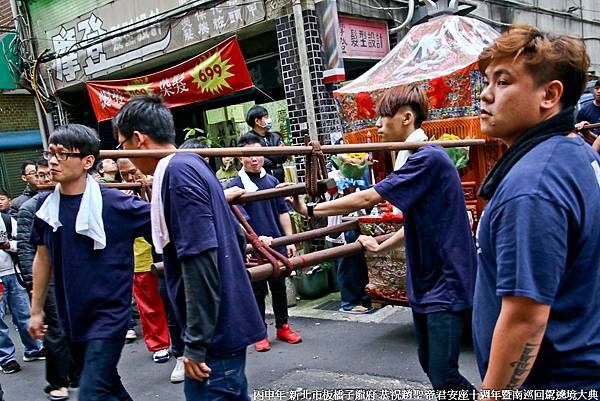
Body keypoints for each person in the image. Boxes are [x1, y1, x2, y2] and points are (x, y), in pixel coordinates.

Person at [291, 85, 476, 391]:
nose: (377, 126)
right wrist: (382, 244)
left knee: (445, 375)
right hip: (427, 280)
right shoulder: (416, 156)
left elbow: (367, 198)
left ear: (406, 118)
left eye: (382, 118)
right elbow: (417, 222)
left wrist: (312, 209)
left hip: (446, 281)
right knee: (430, 366)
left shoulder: (427, 158)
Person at [113, 95, 266, 400]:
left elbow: (199, 262)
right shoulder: (191, 162)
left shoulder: (177, 174)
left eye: (121, 144)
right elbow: (232, 235)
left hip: (214, 336)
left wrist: (195, 345)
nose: (122, 153)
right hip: (222, 324)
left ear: (139, 139)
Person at [473, 25, 600, 391]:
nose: (485, 94)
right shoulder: (575, 150)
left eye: (503, 81)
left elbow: (526, 318)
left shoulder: (533, 187)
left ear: (549, 94)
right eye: (487, 80)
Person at [28, 124, 152, 401]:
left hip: (108, 316)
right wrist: (36, 311)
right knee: (107, 387)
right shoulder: (46, 208)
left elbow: (165, 217)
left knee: (91, 393)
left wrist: (217, 196)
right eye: (50, 153)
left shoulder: (116, 204)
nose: (52, 161)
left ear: (87, 161)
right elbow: (42, 257)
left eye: (62, 154)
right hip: (72, 316)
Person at [227, 135, 302, 352]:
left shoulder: (271, 181)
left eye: (258, 154)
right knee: (257, 291)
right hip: (252, 249)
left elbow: (282, 212)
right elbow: (240, 222)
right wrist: (256, 240)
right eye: (249, 155)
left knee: (279, 288)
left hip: (276, 244)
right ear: (240, 158)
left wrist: (289, 239)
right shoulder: (236, 186)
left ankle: (283, 326)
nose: (254, 159)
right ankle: (260, 332)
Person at [16, 157, 80, 400]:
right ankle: (56, 381)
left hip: (70, 273)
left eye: (47, 174)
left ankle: (74, 374)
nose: (45, 178)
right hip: (47, 277)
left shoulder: (68, 200)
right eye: (40, 174)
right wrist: (34, 286)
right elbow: (27, 250)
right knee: (55, 328)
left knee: (73, 323)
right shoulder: (30, 207)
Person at [116, 158, 171, 365]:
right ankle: (159, 345)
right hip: (140, 255)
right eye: (124, 175)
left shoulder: (160, 182)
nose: (130, 178)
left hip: (164, 250)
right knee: (148, 304)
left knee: (174, 298)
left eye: (133, 172)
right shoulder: (119, 195)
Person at [244, 105, 287, 182]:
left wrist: (266, 155)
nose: (269, 119)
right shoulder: (248, 139)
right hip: (262, 178)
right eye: (266, 117)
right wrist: (276, 153)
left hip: (279, 175)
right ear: (257, 121)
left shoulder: (275, 136)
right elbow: (259, 161)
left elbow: (283, 157)